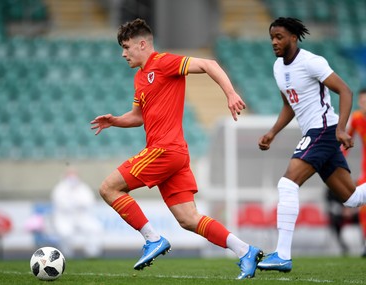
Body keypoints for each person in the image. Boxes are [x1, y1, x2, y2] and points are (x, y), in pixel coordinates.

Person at [90, 18, 262, 280]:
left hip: (165, 150)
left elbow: (209, 63)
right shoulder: (139, 78)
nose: (123, 54)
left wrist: (229, 93)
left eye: (126, 47)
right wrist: (115, 121)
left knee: (108, 188)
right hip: (174, 154)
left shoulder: (165, 62)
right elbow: (139, 116)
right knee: (188, 218)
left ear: (143, 44)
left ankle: (152, 239)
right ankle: (245, 251)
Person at [257, 17, 366, 272]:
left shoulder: (311, 62)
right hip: (316, 132)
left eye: (279, 37)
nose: (274, 41)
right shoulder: (277, 68)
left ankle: (282, 254)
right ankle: (282, 255)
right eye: (272, 37)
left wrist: (340, 129)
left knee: (287, 183)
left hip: (324, 130)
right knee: (352, 199)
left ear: (294, 38)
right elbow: (289, 105)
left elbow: (346, 91)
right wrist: (273, 132)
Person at [51, 168, 103, 258]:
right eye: (70, 175)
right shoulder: (60, 189)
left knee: (95, 229)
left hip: (82, 217)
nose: (72, 178)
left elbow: (89, 202)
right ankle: (66, 255)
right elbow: (62, 205)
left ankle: (93, 254)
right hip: (65, 218)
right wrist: (77, 204)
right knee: (65, 233)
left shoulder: (83, 188)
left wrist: (76, 204)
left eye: (74, 175)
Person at [343, 88, 366, 256]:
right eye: (362, 101)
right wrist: (340, 160)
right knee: (363, 208)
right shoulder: (357, 118)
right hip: (365, 170)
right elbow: (346, 141)